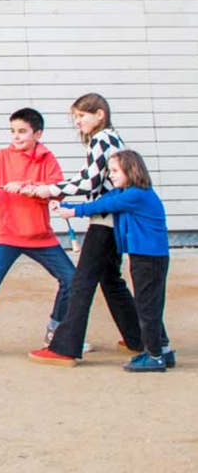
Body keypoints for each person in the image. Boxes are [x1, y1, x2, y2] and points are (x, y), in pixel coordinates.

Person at [25, 93, 142, 366]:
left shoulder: (102, 140)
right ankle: (142, 338)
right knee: (111, 281)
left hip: (105, 221)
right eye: (75, 117)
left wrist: (49, 189)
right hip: (115, 219)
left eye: (82, 116)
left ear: (100, 114)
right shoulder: (111, 138)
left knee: (82, 283)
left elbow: (89, 182)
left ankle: (65, 347)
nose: (77, 122)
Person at [0, 108, 71, 363]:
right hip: (5, 234)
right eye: (13, 131)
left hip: (40, 236)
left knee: (72, 279)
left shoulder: (48, 159)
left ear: (37, 133)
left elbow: (57, 190)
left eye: (22, 132)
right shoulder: (1, 156)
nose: (16, 137)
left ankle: (56, 331)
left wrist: (27, 186)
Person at [51, 150, 175, 372]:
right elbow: (105, 199)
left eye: (115, 171)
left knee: (147, 306)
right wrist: (66, 205)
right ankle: (161, 351)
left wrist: (73, 212)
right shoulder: (126, 192)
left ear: (131, 170)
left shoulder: (136, 194)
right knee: (148, 303)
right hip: (144, 256)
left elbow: (101, 207)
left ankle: (155, 356)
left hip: (149, 259)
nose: (110, 176)